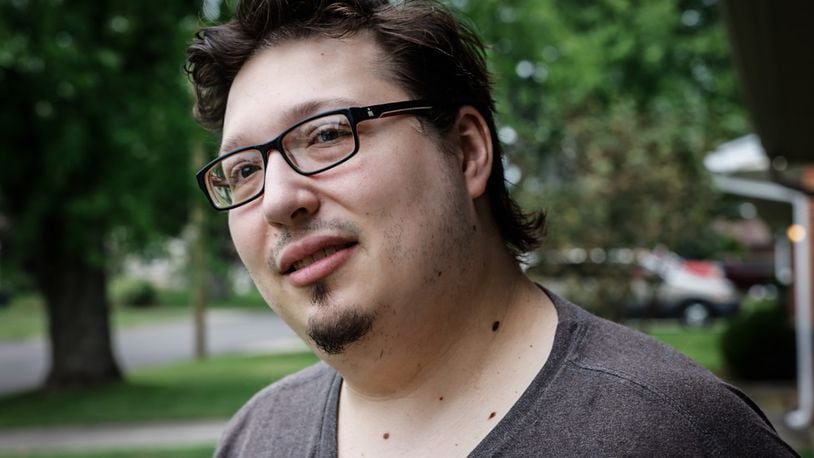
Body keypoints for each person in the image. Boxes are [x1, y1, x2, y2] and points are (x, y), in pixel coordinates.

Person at [186, 0, 797, 456]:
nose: (277, 200)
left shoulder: (677, 433)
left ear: (468, 152)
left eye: (325, 134)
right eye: (243, 171)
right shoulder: (255, 438)